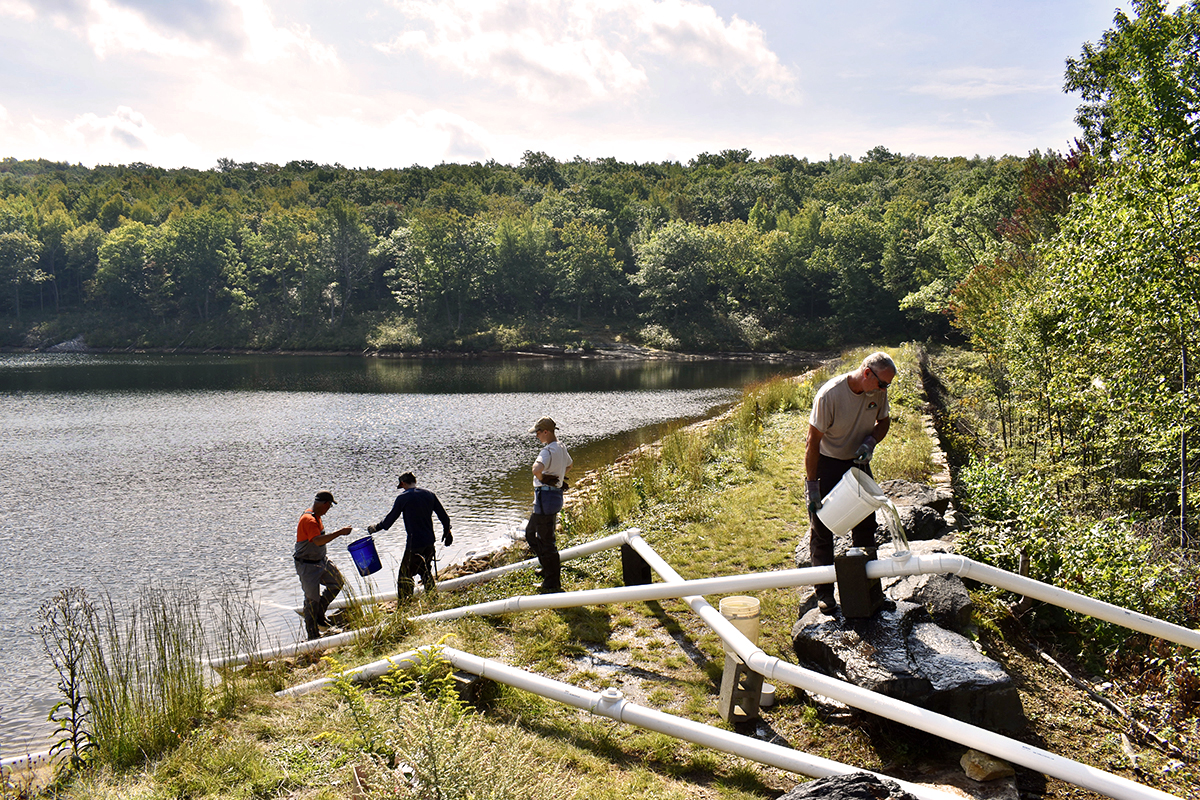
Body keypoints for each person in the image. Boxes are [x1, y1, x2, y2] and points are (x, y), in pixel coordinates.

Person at [805, 351, 896, 614]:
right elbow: (812, 444)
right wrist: (812, 486)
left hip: (857, 462)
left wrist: (870, 442)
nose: (884, 389)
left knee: (866, 527)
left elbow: (883, 421)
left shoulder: (878, 391)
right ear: (867, 373)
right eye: (882, 384)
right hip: (827, 462)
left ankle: (867, 592)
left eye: (887, 386)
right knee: (822, 529)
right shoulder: (829, 395)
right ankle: (824, 594)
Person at [367, 472, 452, 599]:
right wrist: (447, 531)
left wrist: (375, 527)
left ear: (403, 483)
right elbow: (444, 516)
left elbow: (389, 521)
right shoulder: (429, 494)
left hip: (414, 544)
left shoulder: (403, 498)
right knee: (425, 571)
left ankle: (404, 604)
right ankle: (433, 598)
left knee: (404, 576)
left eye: (402, 486)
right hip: (429, 542)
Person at [294, 490, 353, 640]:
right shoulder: (309, 520)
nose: (328, 510)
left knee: (337, 583)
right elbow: (317, 540)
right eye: (329, 506)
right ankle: (313, 636)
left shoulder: (316, 516)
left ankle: (320, 614)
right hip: (307, 565)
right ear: (324, 504)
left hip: (321, 561)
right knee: (311, 600)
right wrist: (340, 532)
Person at [525, 416, 572, 593]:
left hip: (545, 500)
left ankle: (552, 583)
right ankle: (546, 568)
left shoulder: (547, 451)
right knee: (531, 533)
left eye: (538, 432)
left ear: (546, 432)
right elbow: (570, 465)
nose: (536, 435)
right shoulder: (561, 447)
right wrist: (559, 476)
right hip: (553, 499)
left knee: (547, 542)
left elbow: (535, 469)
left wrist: (544, 478)